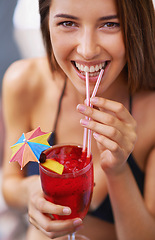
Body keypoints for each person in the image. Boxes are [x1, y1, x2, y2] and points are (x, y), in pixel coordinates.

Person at [1, 0, 155, 239]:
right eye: (67, 22)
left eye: (110, 24)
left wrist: (118, 170)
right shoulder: (24, 83)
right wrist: (30, 191)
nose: (87, 50)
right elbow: (10, 180)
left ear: (136, 25)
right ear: (46, 23)